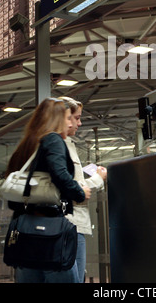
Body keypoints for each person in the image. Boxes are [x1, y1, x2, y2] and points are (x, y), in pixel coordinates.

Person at [4, 97, 91, 283]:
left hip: (24, 229)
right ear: (56, 119)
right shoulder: (53, 139)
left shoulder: (27, 143)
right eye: (68, 118)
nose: (70, 124)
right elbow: (59, 173)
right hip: (50, 230)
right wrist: (79, 192)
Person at [58, 96, 107, 283]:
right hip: (70, 224)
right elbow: (71, 187)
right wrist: (97, 179)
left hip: (73, 224)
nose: (79, 122)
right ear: (64, 117)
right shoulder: (58, 146)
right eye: (75, 117)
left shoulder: (68, 145)